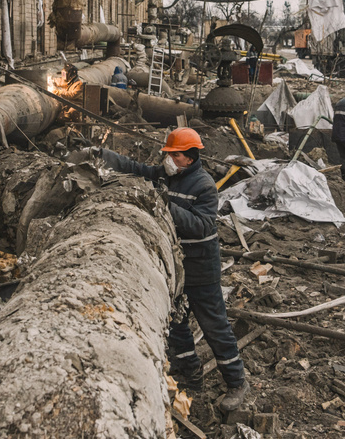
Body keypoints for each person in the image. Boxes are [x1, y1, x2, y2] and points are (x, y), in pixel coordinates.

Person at [71, 128, 250, 412]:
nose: (167, 159)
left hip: (201, 266)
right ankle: (190, 374)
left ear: (189, 158)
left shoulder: (203, 185)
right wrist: (100, 153)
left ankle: (236, 382)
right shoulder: (168, 175)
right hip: (176, 264)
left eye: (174, 155)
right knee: (177, 321)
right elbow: (135, 168)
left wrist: (166, 204)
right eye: (167, 154)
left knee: (214, 324)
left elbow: (203, 225)